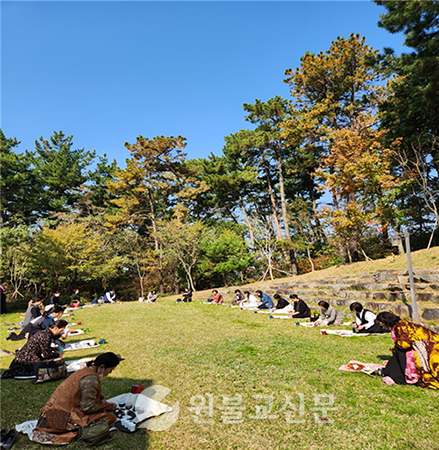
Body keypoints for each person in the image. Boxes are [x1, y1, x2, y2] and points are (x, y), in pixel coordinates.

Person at [33, 352, 120, 445]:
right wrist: (106, 406)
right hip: (60, 421)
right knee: (110, 417)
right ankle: (76, 432)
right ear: (102, 367)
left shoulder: (83, 371)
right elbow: (88, 408)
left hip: (47, 415)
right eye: (110, 370)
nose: (109, 373)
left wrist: (101, 401)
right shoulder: (90, 379)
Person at [375, 312, 439, 389]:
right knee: (398, 352)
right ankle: (391, 370)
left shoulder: (400, 327)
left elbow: (405, 345)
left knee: (400, 352)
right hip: (425, 345)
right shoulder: (402, 324)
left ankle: (398, 374)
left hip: (431, 347)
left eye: (380, 323)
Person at [1, 320, 68, 379]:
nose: (60, 333)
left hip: (24, 355)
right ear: (56, 328)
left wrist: (53, 349)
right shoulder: (46, 336)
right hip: (27, 359)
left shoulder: (45, 332)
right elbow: (47, 355)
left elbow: (43, 347)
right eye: (61, 330)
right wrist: (58, 355)